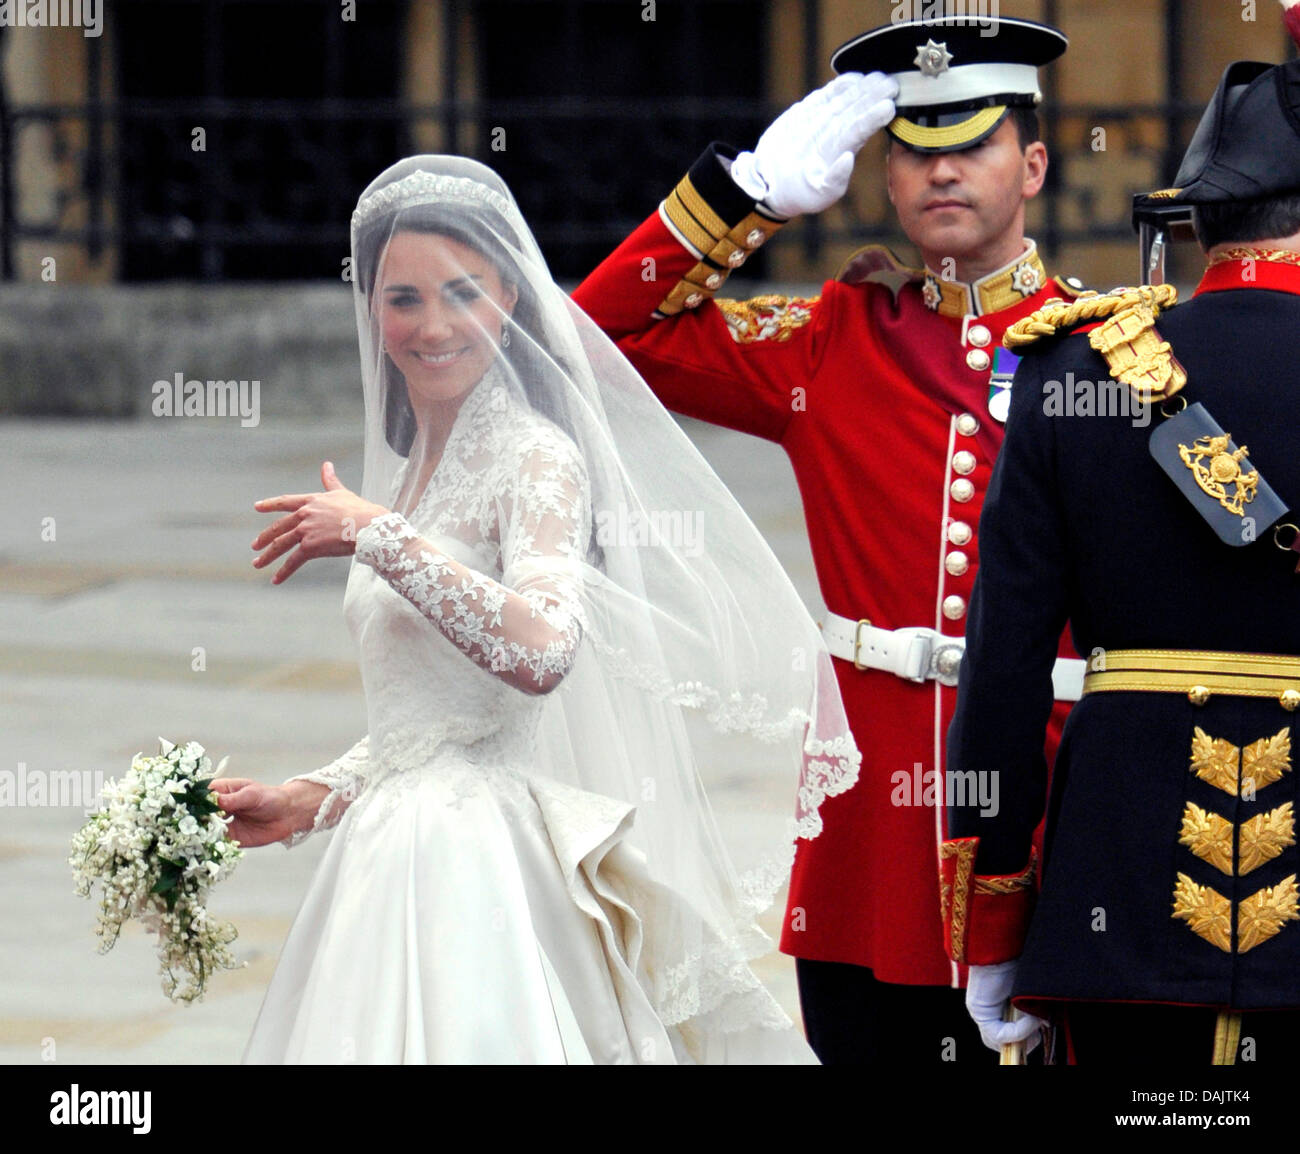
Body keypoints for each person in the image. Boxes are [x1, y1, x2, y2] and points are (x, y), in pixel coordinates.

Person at [211, 155, 861, 1064]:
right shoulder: (412, 469)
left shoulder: (534, 456)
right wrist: (306, 799)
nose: (431, 325)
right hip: (388, 853)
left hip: (483, 867)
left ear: (509, 298)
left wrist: (380, 538)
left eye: (462, 293)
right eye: (402, 299)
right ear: (371, 313)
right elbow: (429, 724)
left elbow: (546, 649)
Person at [572, 15, 1086, 1064]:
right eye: (914, 149)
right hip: (870, 839)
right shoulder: (835, 337)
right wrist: (742, 197)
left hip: (1048, 808)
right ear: (884, 180)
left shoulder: (1109, 349)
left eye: (972, 143)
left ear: (1032, 163)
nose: (941, 171)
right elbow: (600, 335)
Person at [942, 39, 1300, 1064]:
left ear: (1200, 223)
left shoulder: (1068, 371)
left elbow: (1002, 678)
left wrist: (996, 932)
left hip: (1119, 899)